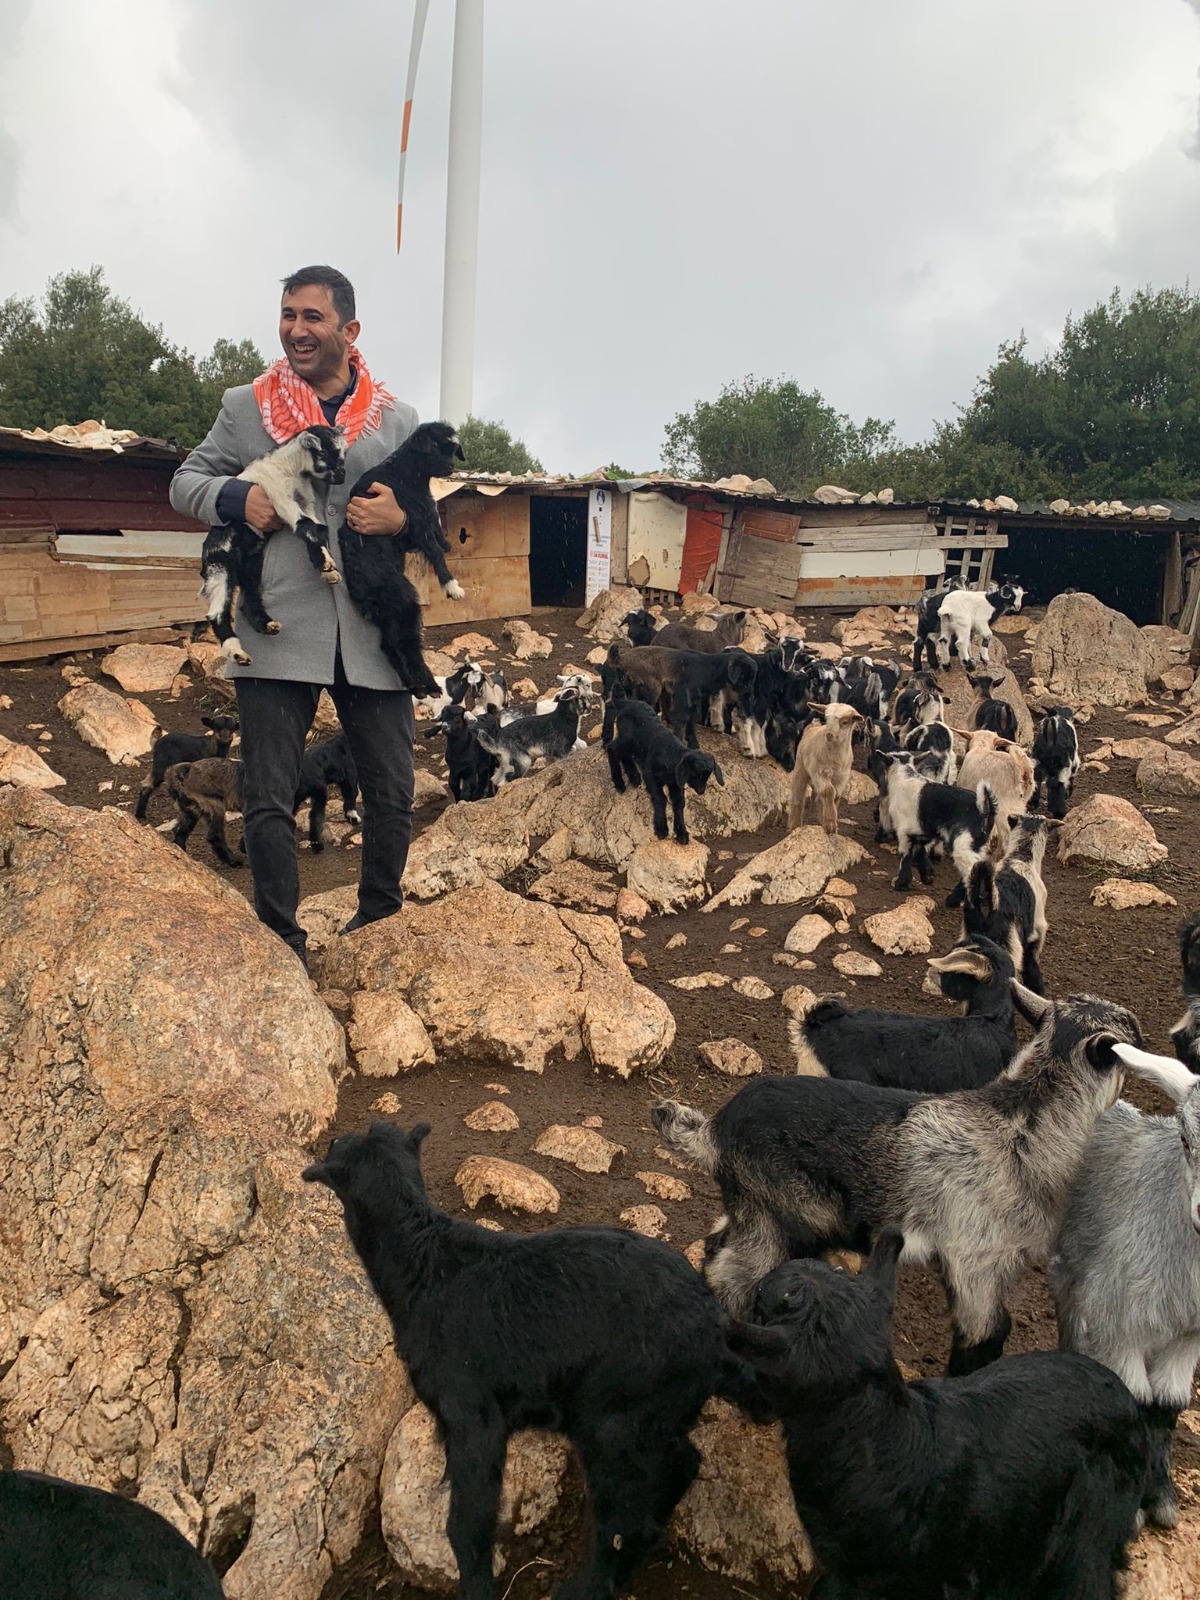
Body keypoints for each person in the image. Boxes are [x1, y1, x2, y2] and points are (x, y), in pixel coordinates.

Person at [170, 264, 420, 969]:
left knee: (393, 791)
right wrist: (233, 499)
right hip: (276, 624)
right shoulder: (246, 406)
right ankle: (282, 940)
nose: (296, 330)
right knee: (268, 792)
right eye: (288, 315)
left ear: (349, 329)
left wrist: (402, 517)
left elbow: (432, 516)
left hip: (373, 632)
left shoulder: (396, 420)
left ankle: (376, 925)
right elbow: (183, 479)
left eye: (312, 317)